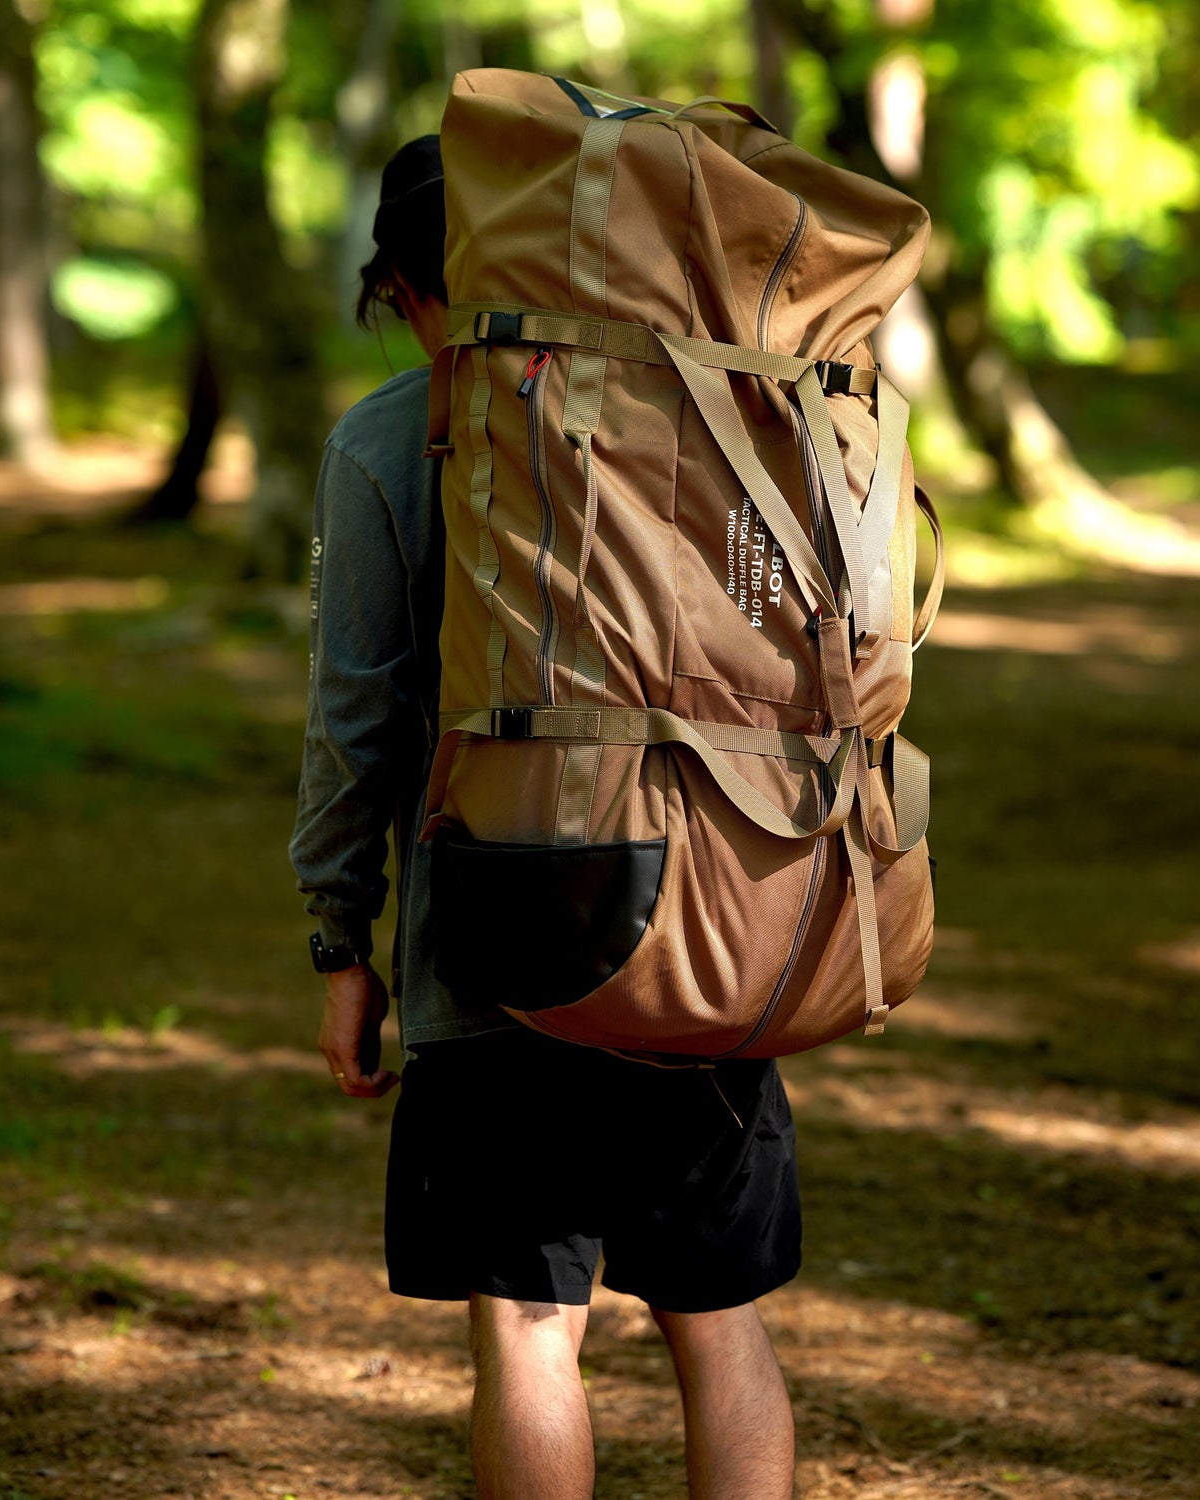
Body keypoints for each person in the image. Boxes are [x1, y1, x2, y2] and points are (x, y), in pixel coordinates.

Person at [290, 135, 802, 1500]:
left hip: (494, 938)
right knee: (717, 1321)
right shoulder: (708, 411)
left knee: (528, 1328)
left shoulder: (388, 439)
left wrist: (341, 939)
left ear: (413, 285)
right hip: (704, 929)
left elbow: (358, 719)